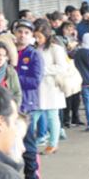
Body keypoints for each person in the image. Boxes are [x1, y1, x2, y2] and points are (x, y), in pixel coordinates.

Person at [13, 19, 45, 179]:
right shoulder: (8, 52)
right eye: (19, 31)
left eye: (26, 32)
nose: (22, 35)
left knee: (28, 144)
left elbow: (35, 81)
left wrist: (15, 76)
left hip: (26, 105)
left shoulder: (33, 54)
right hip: (8, 106)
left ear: (32, 36)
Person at [34, 24, 70, 155]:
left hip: (52, 86)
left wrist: (43, 70)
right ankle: (29, 143)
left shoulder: (56, 49)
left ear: (47, 36)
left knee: (52, 116)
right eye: (35, 36)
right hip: (38, 87)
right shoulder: (36, 48)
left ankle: (53, 144)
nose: (37, 39)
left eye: (39, 36)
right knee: (33, 115)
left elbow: (62, 66)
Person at [0, 41, 23, 107]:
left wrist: (13, 109)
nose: (1, 58)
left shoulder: (10, 72)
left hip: (6, 109)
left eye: (4, 56)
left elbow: (17, 93)